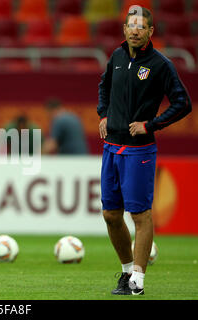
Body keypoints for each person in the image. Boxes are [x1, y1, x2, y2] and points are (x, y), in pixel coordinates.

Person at [97, 6, 192, 295]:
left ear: (151, 31)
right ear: (124, 29)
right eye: (131, 26)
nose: (135, 30)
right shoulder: (116, 56)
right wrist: (103, 114)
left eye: (141, 27)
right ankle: (126, 272)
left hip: (139, 151)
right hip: (111, 147)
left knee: (140, 215)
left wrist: (151, 124)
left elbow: (182, 103)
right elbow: (104, 87)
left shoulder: (160, 64)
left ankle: (138, 279)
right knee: (111, 215)